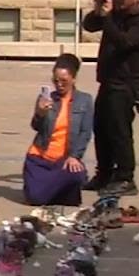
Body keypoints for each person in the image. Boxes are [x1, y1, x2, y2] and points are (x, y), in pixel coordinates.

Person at [81, 0, 139, 198]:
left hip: (128, 82)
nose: (120, 0)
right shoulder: (114, 14)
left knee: (119, 131)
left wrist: (107, 18)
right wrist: (98, 11)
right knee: (101, 128)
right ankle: (104, 173)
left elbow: (125, 42)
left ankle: (125, 177)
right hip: (108, 80)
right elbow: (89, 25)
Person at [23, 54, 93, 207]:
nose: (59, 85)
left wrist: (75, 156)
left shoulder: (85, 100)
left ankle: (53, 189)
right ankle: (49, 190)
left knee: (76, 176)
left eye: (64, 81)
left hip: (63, 160)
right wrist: (40, 113)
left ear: (73, 79)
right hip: (40, 158)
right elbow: (36, 127)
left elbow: (85, 133)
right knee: (35, 199)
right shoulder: (46, 98)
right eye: (55, 81)